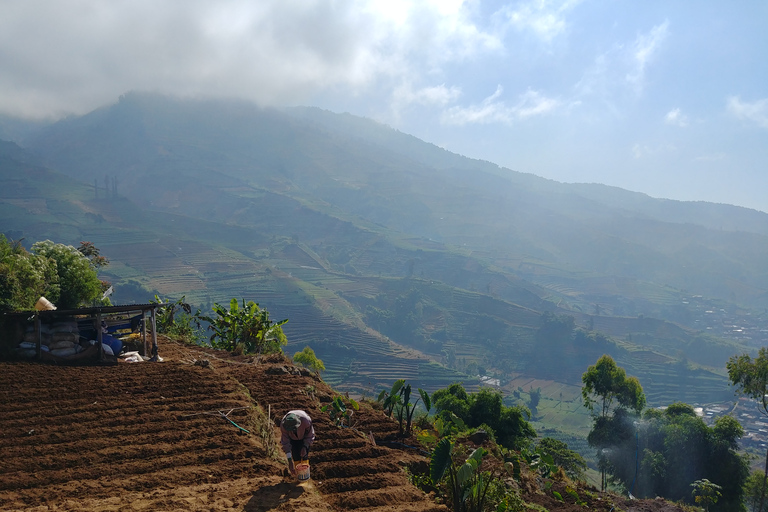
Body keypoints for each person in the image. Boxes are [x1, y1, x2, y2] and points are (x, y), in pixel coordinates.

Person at [280, 410, 315, 475]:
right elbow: (286, 443)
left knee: (304, 456)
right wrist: (290, 461)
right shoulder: (284, 425)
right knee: (296, 456)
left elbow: (310, 435)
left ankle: (305, 476)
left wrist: (305, 446)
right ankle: (299, 476)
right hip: (292, 439)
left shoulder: (306, 421)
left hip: (303, 437)